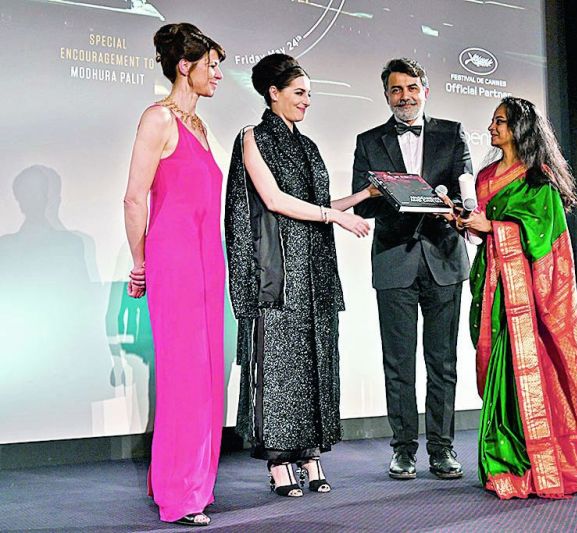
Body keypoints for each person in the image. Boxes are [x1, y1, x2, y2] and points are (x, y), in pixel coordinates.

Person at [225, 53, 374, 498]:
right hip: (279, 270)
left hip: (315, 270)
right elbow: (273, 200)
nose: (307, 101)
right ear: (273, 92)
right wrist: (336, 217)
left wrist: (366, 195)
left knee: (315, 360)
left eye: (309, 94)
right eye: (299, 92)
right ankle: (278, 460)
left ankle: (309, 451)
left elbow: (318, 205)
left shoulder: (307, 146)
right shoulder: (252, 137)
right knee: (279, 364)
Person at [456, 97, 577, 499]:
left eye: (500, 122)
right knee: (497, 380)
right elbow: (485, 229)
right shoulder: (486, 176)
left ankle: (535, 464)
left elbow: (542, 240)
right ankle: (504, 463)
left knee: (525, 372)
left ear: (519, 129)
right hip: (493, 288)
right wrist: (467, 224)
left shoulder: (538, 180)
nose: (491, 128)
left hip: (527, 301)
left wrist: (492, 225)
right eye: (492, 121)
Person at [123, 23, 225, 526]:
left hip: (209, 262)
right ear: (184, 66)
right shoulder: (158, 119)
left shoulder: (203, 128)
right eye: (211, 64)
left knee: (207, 375)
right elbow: (135, 197)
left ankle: (194, 483)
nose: (218, 74)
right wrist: (141, 263)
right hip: (175, 260)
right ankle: (179, 493)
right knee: (185, 376)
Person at [352, 58, 472, 480]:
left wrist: (453, 205)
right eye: (396, 90)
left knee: (443, 362)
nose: (405, 96)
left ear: (426, 89)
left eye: (411, 88)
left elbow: (466, 190)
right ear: (386, 95)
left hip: (444, 258)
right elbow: (362, 203)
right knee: (398, 363)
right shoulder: (368, 141)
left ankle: (442, 449)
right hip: (394, 260)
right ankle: (403, 449)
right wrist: (393, 194)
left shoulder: (452, 133)